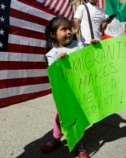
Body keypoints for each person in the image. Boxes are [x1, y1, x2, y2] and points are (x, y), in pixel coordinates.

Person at [41, 16, 88, 158]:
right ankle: (56, 138)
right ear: (53, 34)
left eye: (69, 29)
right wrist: (58, 63)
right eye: (64, 29)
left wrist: (95, 45)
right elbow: (53, 74)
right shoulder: (52, 54)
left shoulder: (78, 46)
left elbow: (88, 58)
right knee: (60, 115)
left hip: (80, 89)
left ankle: (78, 143)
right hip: (64, 92)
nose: (68, 32)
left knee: (78, 117)